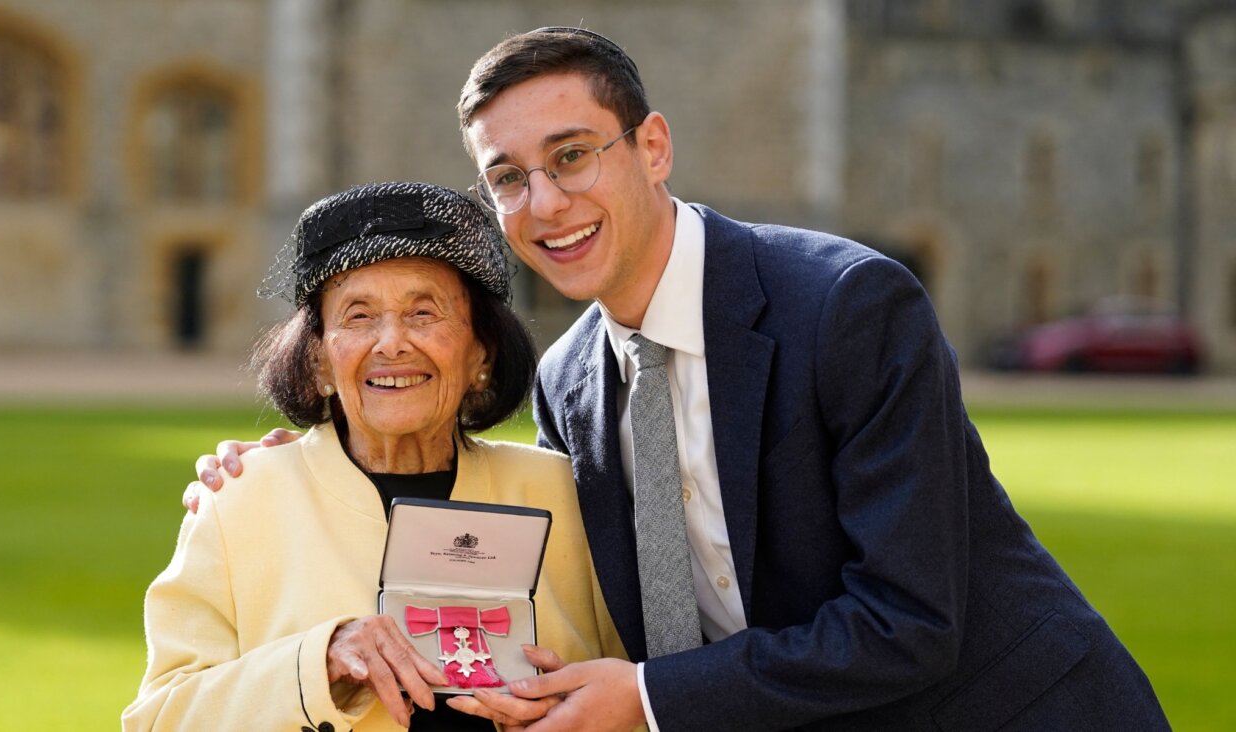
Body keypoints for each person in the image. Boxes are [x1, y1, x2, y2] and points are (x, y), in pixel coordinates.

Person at [190, 28, 1169, 731]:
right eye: (509, 178)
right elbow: (503, 545)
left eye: (572, 156)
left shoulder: (846, 306)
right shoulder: (571, 382)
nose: (547, 202)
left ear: (652, 147)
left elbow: (910, 622)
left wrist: (649, 701)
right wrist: (301, 460)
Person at [125, 181, 626, 732]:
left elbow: (646, 694)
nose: (391, 342)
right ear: (318, 361)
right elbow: (159, 719)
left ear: (482, 352)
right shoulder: (240, 501)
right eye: (359, 316)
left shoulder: (571, 495)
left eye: (424, 313)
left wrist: (572, 710)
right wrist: (319, 663)